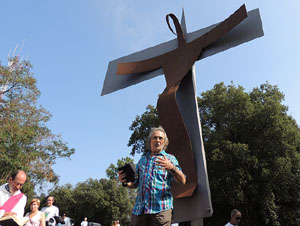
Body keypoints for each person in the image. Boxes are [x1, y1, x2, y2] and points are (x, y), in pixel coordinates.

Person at [118, 126, 186, 226]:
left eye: (160, 138)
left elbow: (183, 180)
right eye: (155, 137)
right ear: (150, 141)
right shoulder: (142, 160)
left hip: (161, 210)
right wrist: (125, 182)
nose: (157, 140)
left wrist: (172, 168)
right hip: (140, 210)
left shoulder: (170, 158)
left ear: (164, 142)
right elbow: (135, 184)